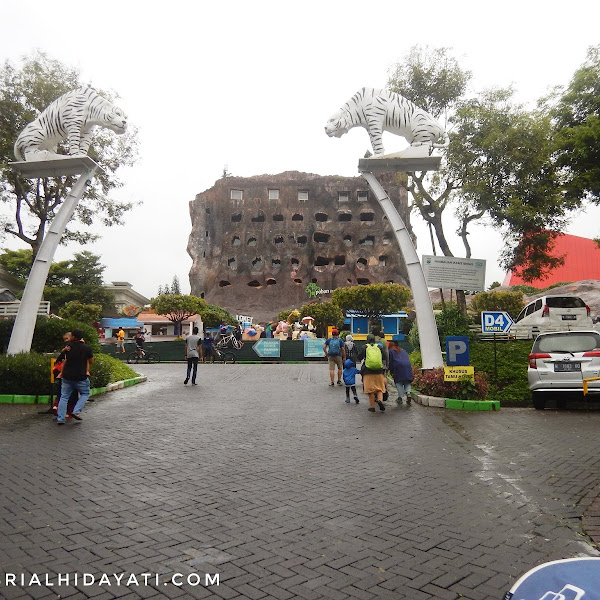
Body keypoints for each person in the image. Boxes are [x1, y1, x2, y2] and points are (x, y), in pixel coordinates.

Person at [56, 328, 94, 425]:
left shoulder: (68, 346)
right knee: (85, 393)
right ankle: (76, 411)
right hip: (80, 376)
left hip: (67, 376)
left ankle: (60, 418)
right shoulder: (87, 348)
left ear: (72, 336)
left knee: (64, 397)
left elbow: (62, 357)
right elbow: (91, 361)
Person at [358, 333, 386, 412]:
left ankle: (372, 406)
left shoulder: (365, 347)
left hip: (368, 371)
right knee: (380, 388)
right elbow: (384, 357)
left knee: (370, 389)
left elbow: (359, 357)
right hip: (379, 371)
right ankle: (380, 400)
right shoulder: (379, 347)